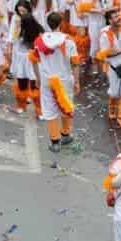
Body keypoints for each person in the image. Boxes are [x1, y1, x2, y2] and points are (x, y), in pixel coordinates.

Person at [29, 11, 80, 153]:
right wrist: (77, 81)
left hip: (47, 79)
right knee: (66, 105)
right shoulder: (68, 41)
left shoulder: (39, 41)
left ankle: (55, 141)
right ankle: (66, 134)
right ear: (61, 23)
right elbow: (75, 63)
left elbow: (34, 61)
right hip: (64, 79)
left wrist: (38, 79)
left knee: (49, 109)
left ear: (48, 24)